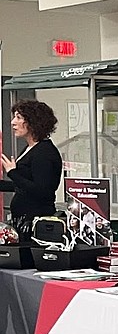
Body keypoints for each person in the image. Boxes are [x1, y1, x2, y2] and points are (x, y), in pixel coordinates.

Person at [0, 100, 64, 240]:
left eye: (18, 117)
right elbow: (24, 185)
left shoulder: (44, 153)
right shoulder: (32, 148)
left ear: (32, 122)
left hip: (34, 223)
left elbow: (42, 190)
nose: (13, 122)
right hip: (23, 221)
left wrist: (12, 173)